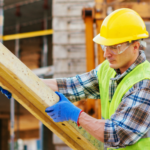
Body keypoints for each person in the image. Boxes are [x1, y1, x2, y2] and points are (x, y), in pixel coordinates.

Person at [3, 8, 150, 149]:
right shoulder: (108, 69)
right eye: (104, 47)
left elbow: (116, 134)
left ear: (135, 47)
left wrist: (76, 115)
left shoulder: (144, 83)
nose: (106, 54)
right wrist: (23, 84)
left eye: (114, 47)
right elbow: (72, 86)